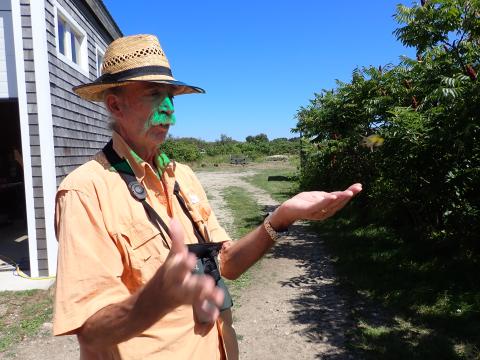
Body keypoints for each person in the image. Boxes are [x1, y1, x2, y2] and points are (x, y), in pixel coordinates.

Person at [53, 34, 362, 360]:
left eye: (171, 96)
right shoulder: (85, 191)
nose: (169, 110)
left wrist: (282, 216)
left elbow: (226, 263)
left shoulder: (182, 175)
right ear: (115, 104)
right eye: (154, 95)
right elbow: (90, 333)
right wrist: (154, 299)